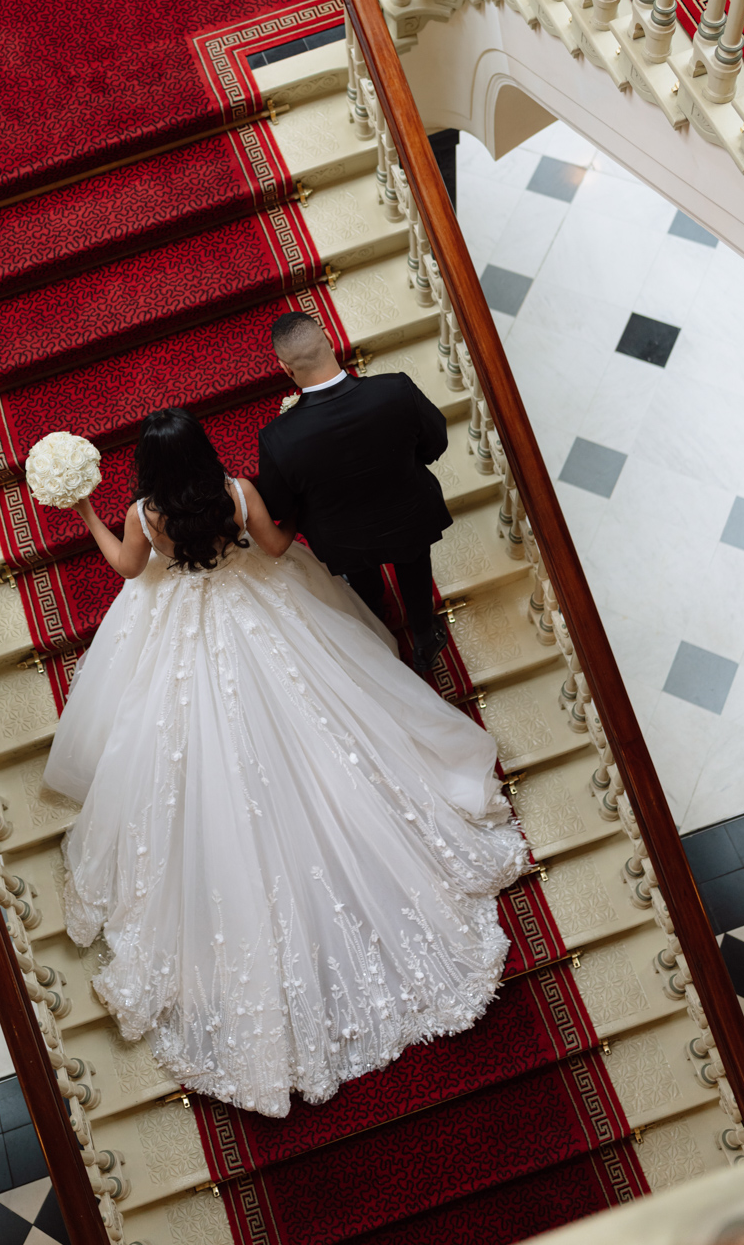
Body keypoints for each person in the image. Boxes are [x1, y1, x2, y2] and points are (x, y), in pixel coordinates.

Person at [42, 406, 527, 1120]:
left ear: (148, 467)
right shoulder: (235, 492)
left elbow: (125, 567)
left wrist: (85, 509)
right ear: (202, 452)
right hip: (256, 607)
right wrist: (281, 511)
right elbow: (273, 550)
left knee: (188, 751)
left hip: (182, 626)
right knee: (329, 714)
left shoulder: (144, 515)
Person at [256, 312, 453, 673]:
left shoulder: (277, 437)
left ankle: (376, 626)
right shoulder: (396, 389)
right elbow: (436, 442)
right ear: (330, 340)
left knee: (363, 581)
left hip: (343, 539)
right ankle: (425, 638)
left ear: (285, 368)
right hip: (408, 515)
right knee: (413, 562)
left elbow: (279, 505)